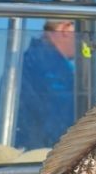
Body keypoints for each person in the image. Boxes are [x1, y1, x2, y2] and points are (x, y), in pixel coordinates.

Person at [10, 17, 76, 150]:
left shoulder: (31, 58)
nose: (86, 43)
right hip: (44, 157)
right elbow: (63, 127)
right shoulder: (51, 68)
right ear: (65, 29)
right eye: (85, 33)